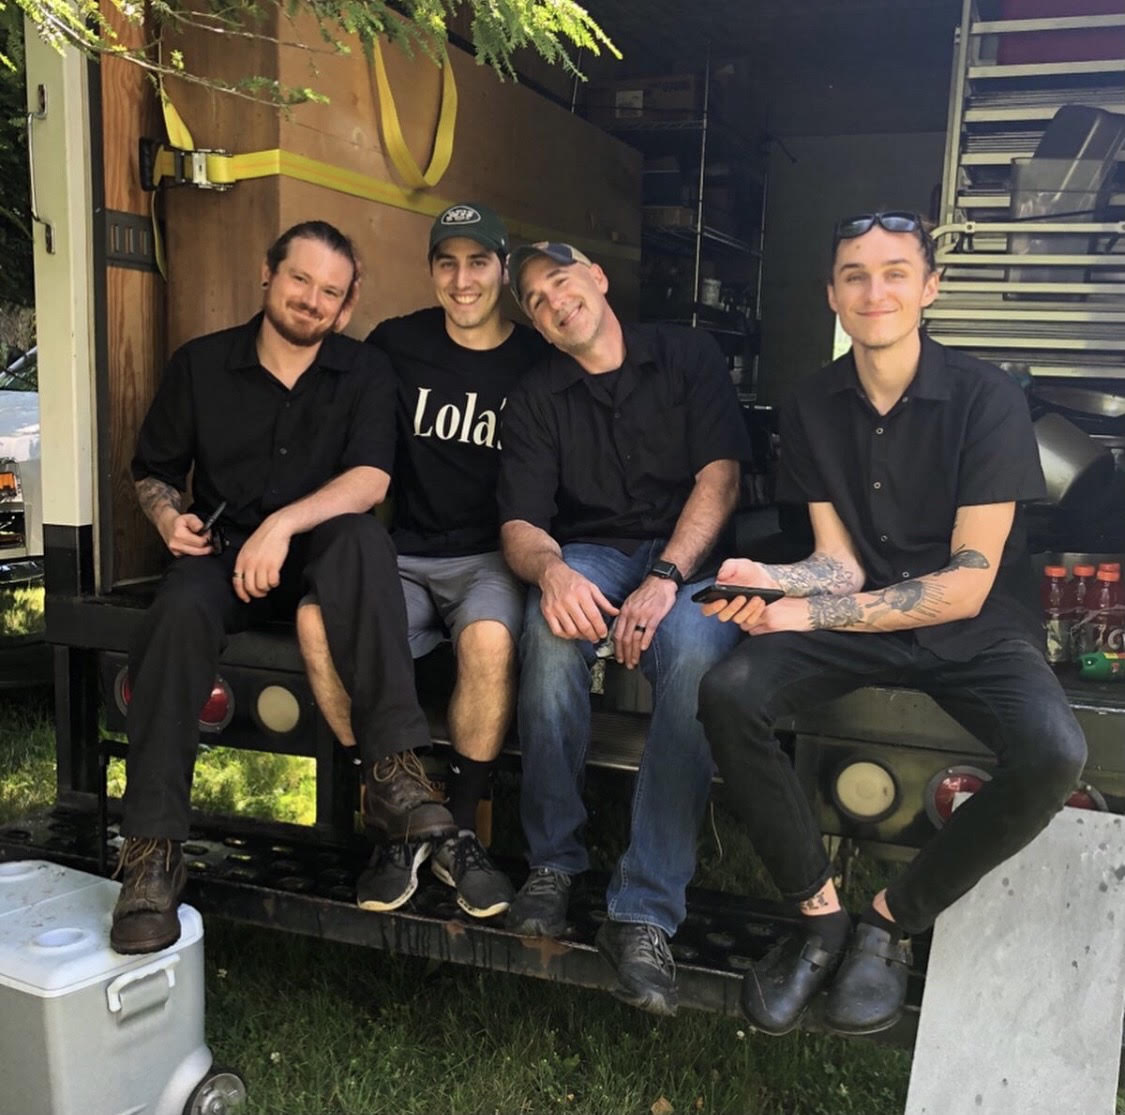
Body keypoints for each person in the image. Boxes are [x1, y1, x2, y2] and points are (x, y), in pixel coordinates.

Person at [697, 211, 1087, 1036]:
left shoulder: (985, 398)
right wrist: (765, 578)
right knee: (730, 691)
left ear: (928, 287)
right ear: (831, 294)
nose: (874, 291)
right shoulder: (808, 404)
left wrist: (804, 609)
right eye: (854, 275)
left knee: (1053, 753)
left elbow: (963, 587)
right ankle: (818, 916)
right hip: (859, 604)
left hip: (970, 624)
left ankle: (889, 918)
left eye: (894, 271)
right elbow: (835, 563)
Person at [115, 221, 456, 955]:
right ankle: (150, 853)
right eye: (300, 280)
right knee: (175, 611)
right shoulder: (201, 364)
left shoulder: (364, 372)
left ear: (346, 302)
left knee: (362, 537)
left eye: (330, 291)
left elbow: (370, 479)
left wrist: (284, 525)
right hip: (224, 553)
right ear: (266, 274)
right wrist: (169, 515)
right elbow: (153, 468)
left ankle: (395, 773)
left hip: (320, 555)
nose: (312, 300)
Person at [498, 241, 750, 1016]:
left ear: (598, 278)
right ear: (538, 329)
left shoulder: (685, 354)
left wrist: (665, 578)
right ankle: (552, 864)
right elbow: (518, 523)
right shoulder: (536, 396)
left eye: (560, 281)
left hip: (692, 557)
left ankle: (642, 910)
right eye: (535, 301)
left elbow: (721, 475)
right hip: (592, 553)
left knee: (699, 658)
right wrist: (553, 573)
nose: (553, 301)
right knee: (548, 632)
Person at [299, 202, 546, 918]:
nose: (461, 279)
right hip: (402, 552)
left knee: (489, 639)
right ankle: (398, 811)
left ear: (503, 269)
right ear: (431, 269)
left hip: (489, 555)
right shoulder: (394, 343)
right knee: (317, 621)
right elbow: (335, 393)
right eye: (446, 262)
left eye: (478, 262)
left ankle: (459, 829)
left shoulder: (537, 359)